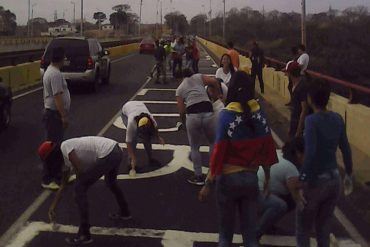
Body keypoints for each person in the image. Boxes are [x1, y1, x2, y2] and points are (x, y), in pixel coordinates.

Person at [198, 71, 278, 247]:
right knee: (250, 236)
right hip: (250, 178)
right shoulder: (259, 113)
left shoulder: (226, 115)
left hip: (227, 179)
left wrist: (208, 183)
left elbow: (219, 151)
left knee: (225, 236)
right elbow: (266, 146)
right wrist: (268, 176)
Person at [40, 136, 131, 245]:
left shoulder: (65, 147)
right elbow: (63, 185)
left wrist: (80, 182)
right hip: (115, 150)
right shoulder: (65, 160)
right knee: (110, 182)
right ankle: (125, 212)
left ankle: (84, 234)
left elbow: (80, 168)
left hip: (108, 153)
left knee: (79, 189)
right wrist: (53, 206)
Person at [296, 81, 353, 247]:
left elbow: (311, 152)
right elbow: (346, 149)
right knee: (323, 229)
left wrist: (303, 178)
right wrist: (348, 173)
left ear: (310, 99)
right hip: (334, 178)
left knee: (303, 229)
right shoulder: (337, 119)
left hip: (315, 180)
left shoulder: (311, 121)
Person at [176, 69, 221, 185]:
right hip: (207, 110)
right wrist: (216, 95)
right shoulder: (198, 77)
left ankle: (198, 176)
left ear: (181, 77)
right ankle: (213, 174)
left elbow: (181, 111)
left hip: (193, 115)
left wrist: (184, 122)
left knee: (195, 147)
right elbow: (214, 81)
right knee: (212, 143)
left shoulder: (180, 89)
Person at [256, 138, 304, 239]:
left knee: (287, 200)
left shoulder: (278, 154)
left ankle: (268, 225)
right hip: (255, 193)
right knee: (281, 206)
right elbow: (297, 196)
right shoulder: (291, 168)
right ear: (298, 154)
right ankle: (255, 235)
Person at [41, 46, 71, 190]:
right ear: (61, 58)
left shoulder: (53, 71)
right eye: (65, 57)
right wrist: (64, 116)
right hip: (54, 114)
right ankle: (48, 178)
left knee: (56, 146)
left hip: (53, 114)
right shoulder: (55, 74)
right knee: (52, 147)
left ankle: (58, 176)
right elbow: (57, 96)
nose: (66, 60)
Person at [122, 101, 165, 175]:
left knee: (147, 139)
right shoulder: (131, 123)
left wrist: (158, 138)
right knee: (133, 139)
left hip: (138, 105)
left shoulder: (151, 120)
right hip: (126, 110)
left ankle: (151, 159)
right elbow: (128, 142)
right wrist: (133, 157)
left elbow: (155, 128)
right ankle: (130, 164)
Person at [285, 61, 309, 139]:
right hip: (294, 121)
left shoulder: (302, 86)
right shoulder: (295, 84)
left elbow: (304, 109)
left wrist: (298, 132)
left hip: (299, 125)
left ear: (289, 73)